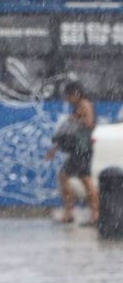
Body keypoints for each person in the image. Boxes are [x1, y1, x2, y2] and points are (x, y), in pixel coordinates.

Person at [46, 80, 99, 225]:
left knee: (68, 177)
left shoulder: (84, 104)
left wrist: (77, 119)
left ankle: (74, 213)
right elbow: (69, 131)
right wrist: (54, 150)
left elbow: (89, 123)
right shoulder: (79, 106)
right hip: (81, 148)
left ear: (76, 94)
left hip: (81, 148)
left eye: (69, 96)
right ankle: (92, 214)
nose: (68, 99)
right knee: (84, 179)